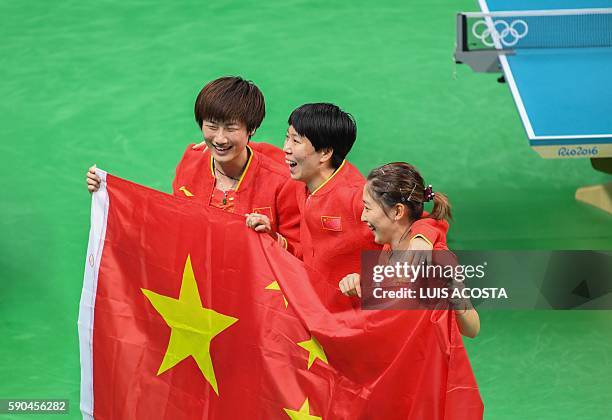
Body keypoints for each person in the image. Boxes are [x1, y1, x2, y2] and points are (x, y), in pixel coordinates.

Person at [86, 76, 301, 255]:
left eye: (231, 128)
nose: (219, 138)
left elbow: (301, 254)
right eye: (211, 126)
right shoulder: (191, 161)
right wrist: (107, 192)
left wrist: (273, 238)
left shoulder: (282, 181)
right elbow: (171, 223)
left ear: (251, 129)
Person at [245, 103, 449, 287]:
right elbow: (260, 153)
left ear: (325, 153)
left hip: (356, 316)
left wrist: (423, 238)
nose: (286, 148)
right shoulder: (304, 179)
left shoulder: (355, 195)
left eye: (296, 141)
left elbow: (417, 214)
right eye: (287, 137)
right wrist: (275, 238)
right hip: (318, 307)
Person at [338, 162, 480, 338]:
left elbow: (472, 329)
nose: (362, 216)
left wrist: (455, 296)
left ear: (397, 212)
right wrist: (360, 284)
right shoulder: (389, 248)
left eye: (367, 208)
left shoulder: (436, 260)